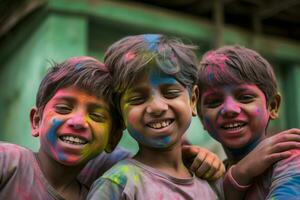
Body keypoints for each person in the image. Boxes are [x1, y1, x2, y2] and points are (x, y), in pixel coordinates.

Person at [0, 56, 224, 200]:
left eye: (96, 115)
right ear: (36, 121)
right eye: (64, 108)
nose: (78, 122)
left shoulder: (104, 189)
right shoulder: (9, 162)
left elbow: (151, 164)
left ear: (113, 139)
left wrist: (189, 155)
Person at [87, 34, 223, 200]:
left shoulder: (211, 181)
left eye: (170, 93)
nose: (157, 107)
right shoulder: (118, 185)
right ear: (120, 112)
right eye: (137, 99)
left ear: (193, 100)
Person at [196, 45, 300, 199]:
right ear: (201, 117)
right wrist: (239, 174)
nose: (229, 109)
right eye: (214, 102)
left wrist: (237, 177)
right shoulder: (210, 176)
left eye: (245, 97)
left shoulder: (291, 158)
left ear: (272, 106)